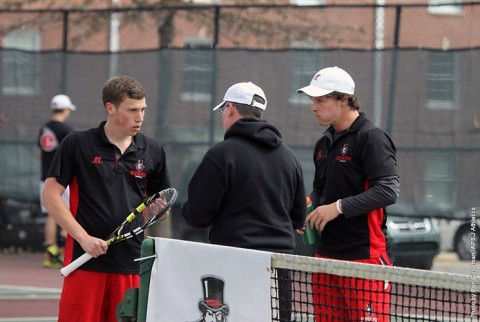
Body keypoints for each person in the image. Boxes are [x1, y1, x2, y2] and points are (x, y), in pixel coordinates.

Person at [42, 75, 171, 322]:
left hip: (131, 264)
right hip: (85, 261)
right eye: (132, 110)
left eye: (143, 109)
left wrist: (159, 211)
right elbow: (51, 196)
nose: (140, 117)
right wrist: (84, 238)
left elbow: (160, 206)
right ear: (110, 108)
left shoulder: (153, 150)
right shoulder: (78, 143)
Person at [181, 81, 306, 322]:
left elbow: (197, 216)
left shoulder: (221, 154)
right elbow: (298, 218)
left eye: (222, 112)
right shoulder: (290, 159)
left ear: (230, 109)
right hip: (279, 265)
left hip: (232, 261)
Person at [296, 66, 400, 321]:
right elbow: (320, 190)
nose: (314, 107)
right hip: (325, 258)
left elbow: (388, 190)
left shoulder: (371, 138)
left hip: (365, 259)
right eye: (312, 101)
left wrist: (338, 207)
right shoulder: (324, 143)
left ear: (344, 100)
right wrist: (309, 208)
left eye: (321, 100)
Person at [38, 94, 76, 268]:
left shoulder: (44, 128)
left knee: (50, 213)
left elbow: (40, 154)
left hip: (44, 177)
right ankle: (63, 250)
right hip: (62, 178)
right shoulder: (66, 130)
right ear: (66, 109)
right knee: (67, 212)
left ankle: (51, 250)